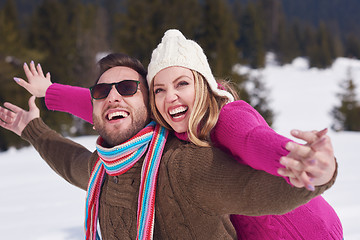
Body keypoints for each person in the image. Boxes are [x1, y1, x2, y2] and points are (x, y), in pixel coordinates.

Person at [1, 53, 338, 240]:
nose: (171, 96)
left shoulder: (223, 120)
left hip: (303, 228)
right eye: (159, 89)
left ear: (203, 84)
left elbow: (253, 143)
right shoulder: (112, 166)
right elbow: (104, 113)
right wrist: (44, 104)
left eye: (181, 84)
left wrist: (299, 161)